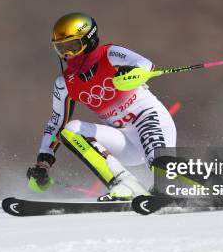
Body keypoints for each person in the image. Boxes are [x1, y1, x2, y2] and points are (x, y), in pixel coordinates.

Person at [26, 12, 177, 201]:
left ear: (88, 41)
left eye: (72, 47)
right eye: (61, 49)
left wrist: (131, 72)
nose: (67, 55)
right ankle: (125, 184)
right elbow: (55, 124)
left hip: (148, 118)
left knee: (161, 168)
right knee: (70, 130)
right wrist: (43, 163)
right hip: (123, 141)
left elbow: (146, 65)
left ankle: (216, 182)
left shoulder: (110, 54)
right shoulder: (65, 83)